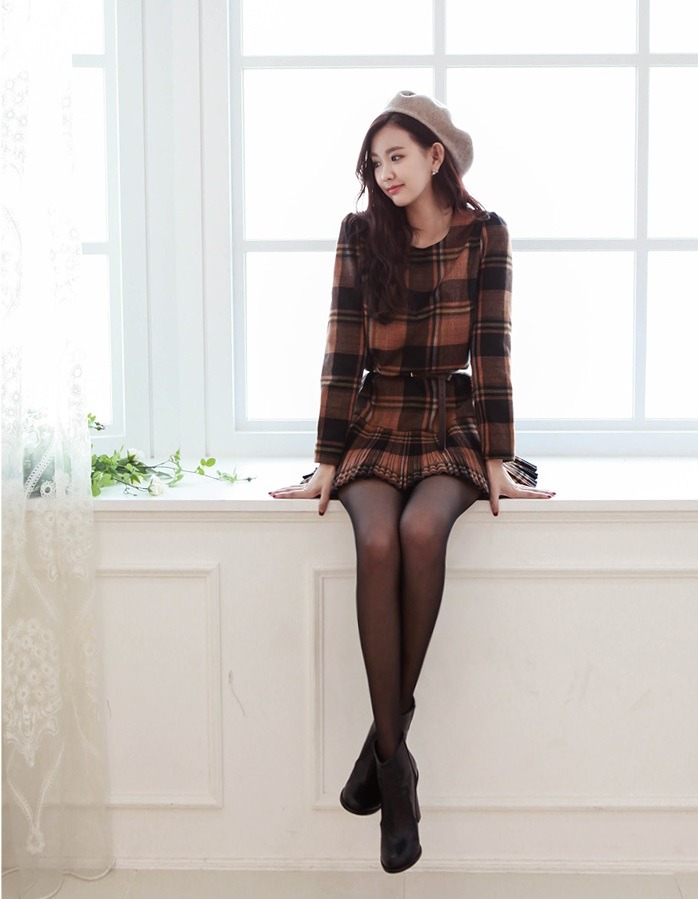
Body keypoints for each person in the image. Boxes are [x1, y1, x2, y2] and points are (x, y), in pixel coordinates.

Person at [270, 90, 555, 874]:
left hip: (450, 419)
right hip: (376, 418)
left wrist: (497, 459)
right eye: (375, 161)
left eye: (397, 156)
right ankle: (399, 774)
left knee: (423, 529)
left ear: (436, 157)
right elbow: (341, 348)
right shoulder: (361, 235)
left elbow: (492, 349)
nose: (384, 172)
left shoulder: (485, 235)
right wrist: (327, 458)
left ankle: (381, 749)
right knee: (377, 541)